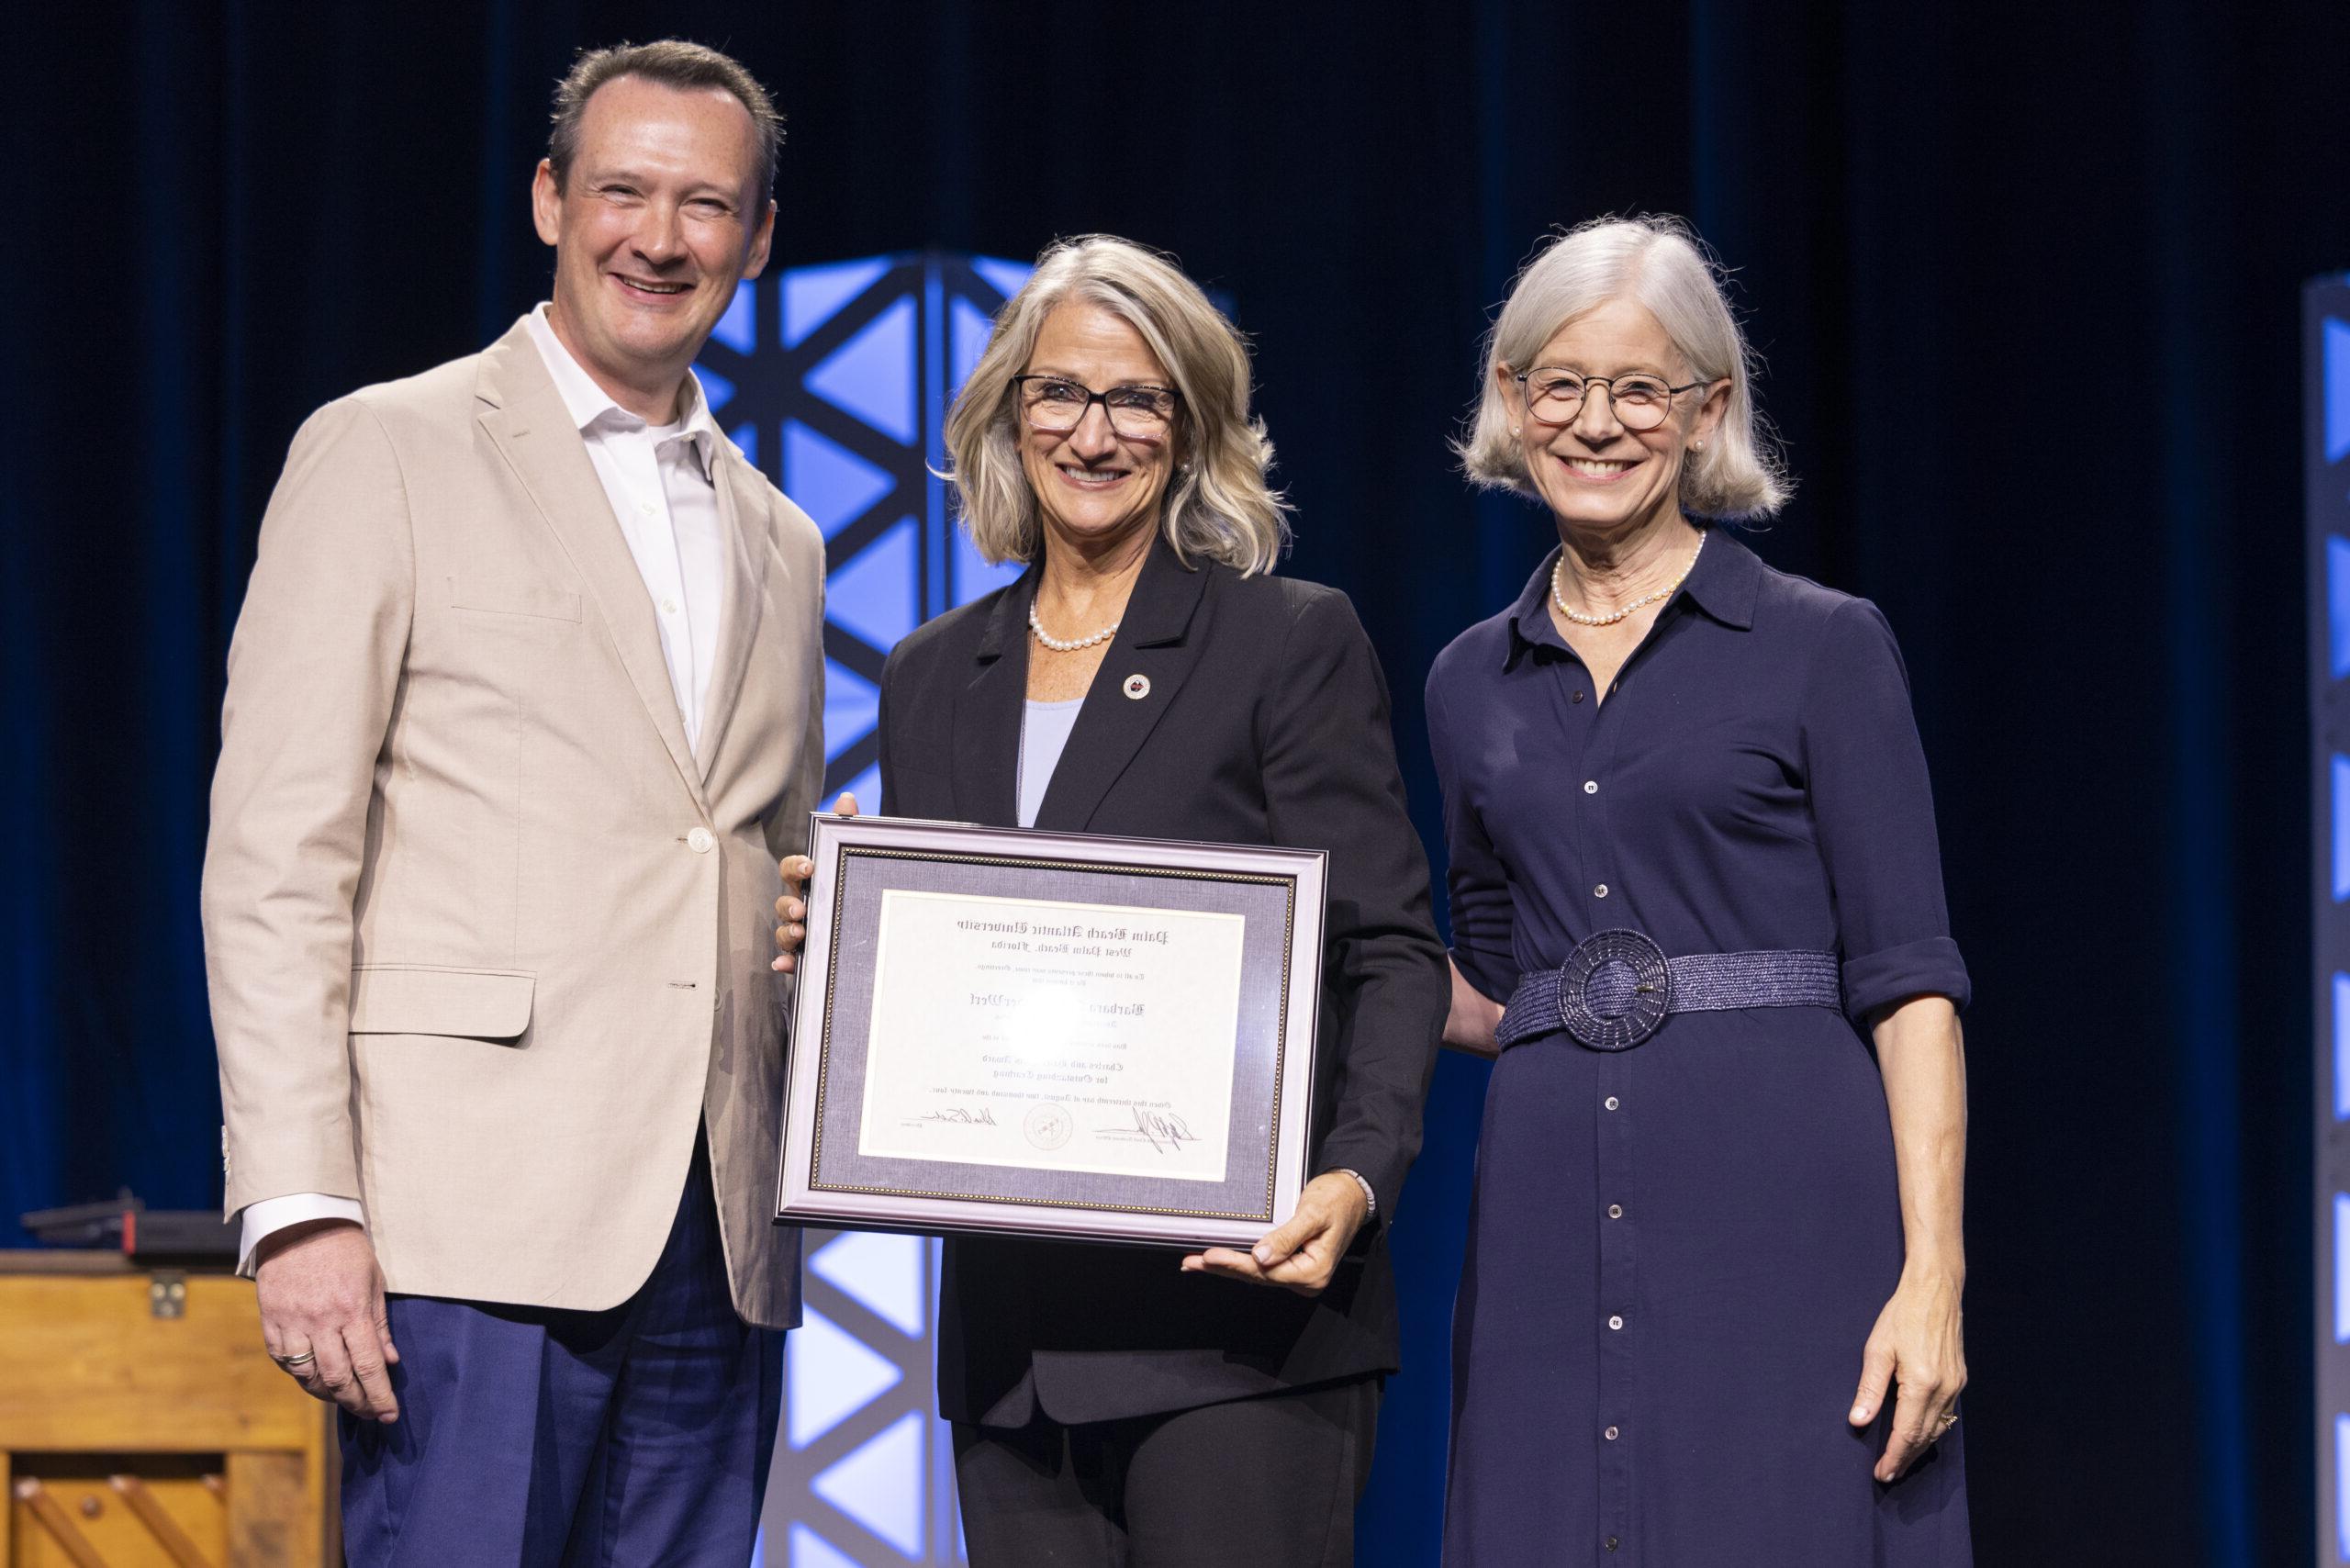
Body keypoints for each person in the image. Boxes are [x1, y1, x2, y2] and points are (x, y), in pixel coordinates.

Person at [201, 40, 823, 1563]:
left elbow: (755, 855)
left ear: (754, 241)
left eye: (703, 205)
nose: (658, 239)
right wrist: (298, 1202)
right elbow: (278, 859)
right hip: (461, 1225)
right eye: (621, 191)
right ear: (550, 199)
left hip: (714, 1240)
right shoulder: (387, 449)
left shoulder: (783, 536)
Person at [776, 234, 1447, 1566]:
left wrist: (1356, 1175)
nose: (1094, 432)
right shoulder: (930, 674)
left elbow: (1391, 951)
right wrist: (843, 956)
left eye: (1137, 398)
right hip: (1014, 1358)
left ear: (1191, 428)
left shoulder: (1284, 641)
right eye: (1060, 394)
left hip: (1240, 1334)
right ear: (1006, 417)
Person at [1427, 215, 1973, 1563]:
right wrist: (1271, 942)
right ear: (1511, 401)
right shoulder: (1464, 682)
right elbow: (1500, 989)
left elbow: (1911, 986)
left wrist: (1934, 1278)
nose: (1595, 422)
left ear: (1706, 410)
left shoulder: (1821, 648)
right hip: (1548, 1220)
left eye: (1639, 389)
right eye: (1559, 384)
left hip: (1786, 1207)